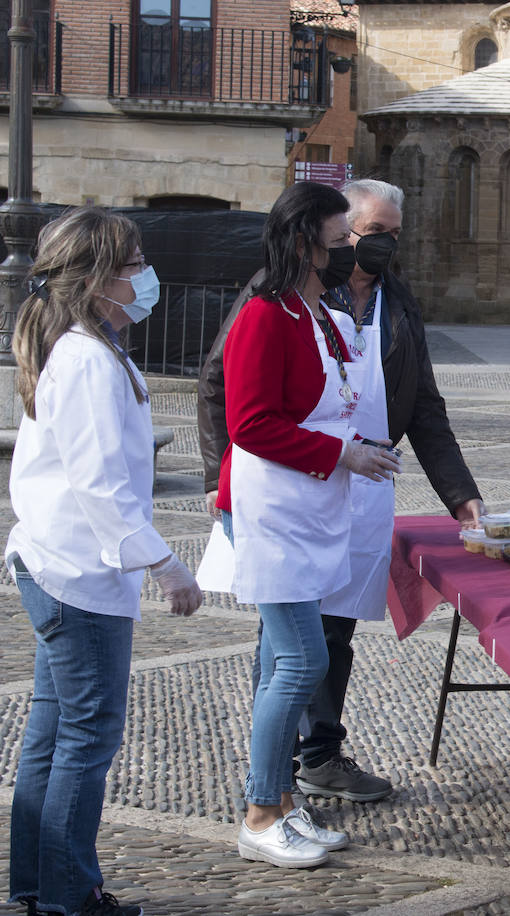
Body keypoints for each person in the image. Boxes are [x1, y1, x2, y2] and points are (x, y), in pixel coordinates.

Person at [198, 179, 483, 805]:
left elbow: (426, 407)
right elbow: (228, 394)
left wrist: (460, 493)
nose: (382, 247)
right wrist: (232, 482)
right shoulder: (279, 299)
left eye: (393, 236)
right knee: (290, 645)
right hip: (288, 486)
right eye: (372, 233)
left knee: (333, 634)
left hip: (360, 480)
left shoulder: (397, 302)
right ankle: (270, 781)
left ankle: (317, 754)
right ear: (332, 234)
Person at [7, 207, 203, 916]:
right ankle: (68, 897)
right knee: (85, 737)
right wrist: (165, 564)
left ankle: (38, 887)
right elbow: (99, 482)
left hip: (59, 564)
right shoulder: (87, 356)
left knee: (54, 733)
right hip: (76, 573)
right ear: (95, 279)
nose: (144, 275)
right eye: (132, 264)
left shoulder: (86, 345)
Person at [214, 182, 401, 868]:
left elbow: (335, 398)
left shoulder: (314, 311)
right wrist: (341, 454)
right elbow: (251, 422)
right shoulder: (267, 312)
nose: (349, 248)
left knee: (280, 663)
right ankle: (261, 811)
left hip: (309, 504)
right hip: (272, 509)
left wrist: (362, 449)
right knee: (300, 659)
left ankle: (281, 801)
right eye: (338, 238)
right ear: (304, 240)